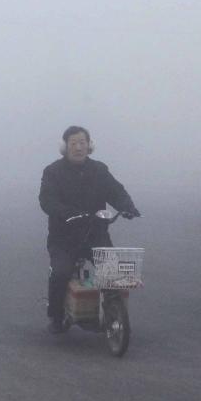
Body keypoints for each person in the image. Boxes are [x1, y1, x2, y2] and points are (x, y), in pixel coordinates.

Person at [38, 126, 140, 334]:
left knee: (114, 274)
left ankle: (112, 311)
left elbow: (116, 191)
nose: (78, 147)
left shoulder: (99, 170)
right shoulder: (53, 172)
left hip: (96, 233)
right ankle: (56, 316)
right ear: (65, 147)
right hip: (64, 238)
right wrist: (67, 213)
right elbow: (46, 200)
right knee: (61, 273)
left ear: (89, 145)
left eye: (83, 142)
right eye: (73, 143)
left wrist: (127, 207)